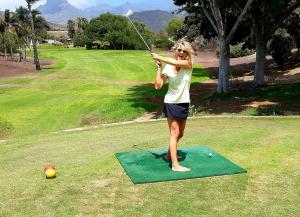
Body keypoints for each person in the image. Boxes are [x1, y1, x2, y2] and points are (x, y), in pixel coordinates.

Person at [151, 38, 194, 172]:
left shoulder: (188, 63)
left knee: (180, 133)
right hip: (171, 102)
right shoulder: (168, 67)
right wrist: (159, 68)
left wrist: (159, 56)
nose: (181, 52)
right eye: (179, 50)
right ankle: (175, 165)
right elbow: (158, 86)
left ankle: (168, 155)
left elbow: (175, 62)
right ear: (175, 51)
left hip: (184, 102)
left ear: (187, 53)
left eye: (184, 51)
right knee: (174, 132)